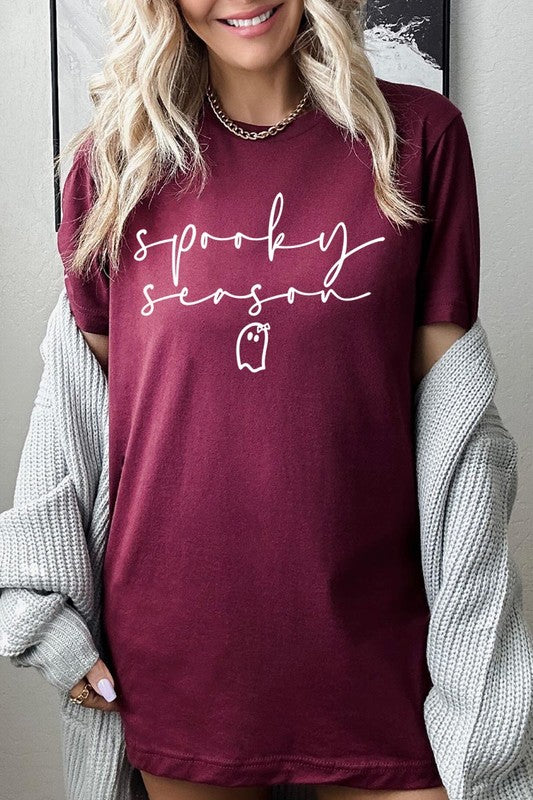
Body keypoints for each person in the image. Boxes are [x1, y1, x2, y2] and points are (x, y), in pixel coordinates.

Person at [56, 1, 481, 799]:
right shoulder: (115, 163)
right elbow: (83, 422)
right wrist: (51, 607)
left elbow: (456, 436)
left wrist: (474, 633)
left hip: (377, 641)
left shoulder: (420, 140)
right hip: (180, 650)